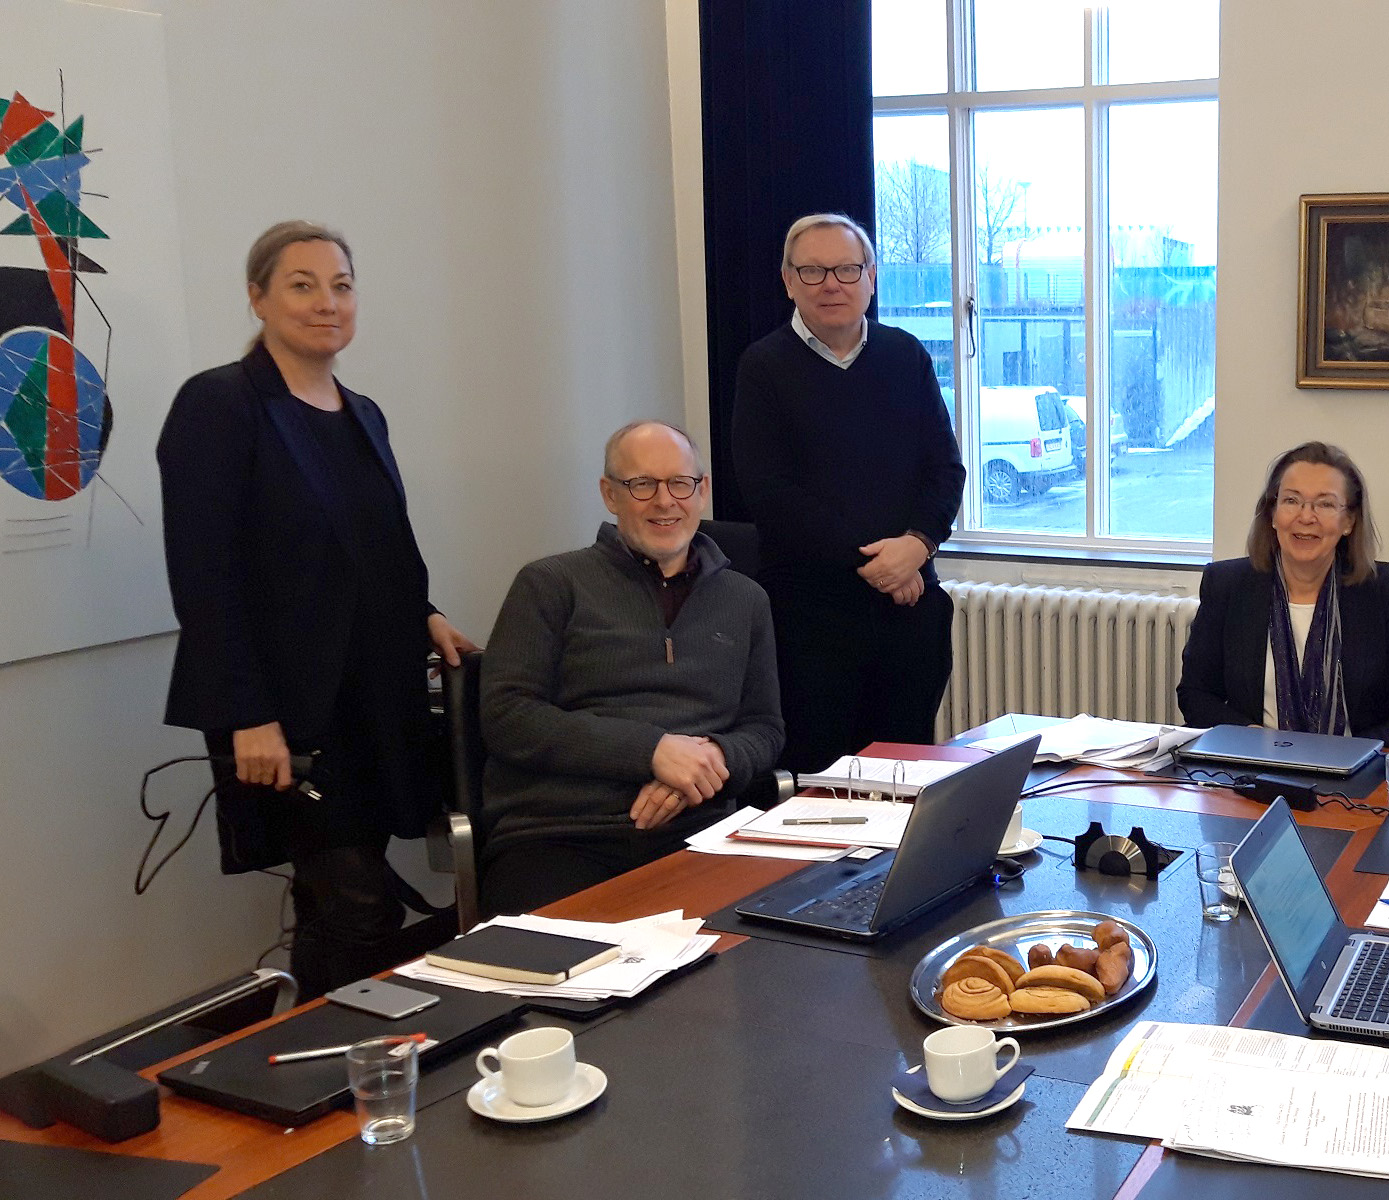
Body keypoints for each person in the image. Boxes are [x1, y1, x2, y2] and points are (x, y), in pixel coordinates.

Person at [158, 220, 478, 999]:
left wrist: (423, 612)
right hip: (289, 712)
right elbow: (204, 576)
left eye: (341, 285)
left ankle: (317, 1069)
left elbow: (374, 544)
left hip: (372, 698)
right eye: (302, 284)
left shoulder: (361, 411)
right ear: (257, 297)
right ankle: (349, 1069)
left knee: (336, 900)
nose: (327, 302)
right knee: (357, 908)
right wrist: (249, 715)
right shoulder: (220, 404)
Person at [477, 420, 784, 913]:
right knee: (563, 982)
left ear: (701, 492)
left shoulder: (746, 600)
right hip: (561, 837)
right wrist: (652, 752)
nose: (665, 501)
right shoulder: (549, 584)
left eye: (680, 483)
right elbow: (507, 716)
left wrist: (706, 762)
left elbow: (764, 729)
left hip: (699, 830)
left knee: (774, 953)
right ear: (609, 494)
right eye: (642, 484)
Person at [730, 212, 966, 773]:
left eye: (846, 268)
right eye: (812, 271)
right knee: (822, 789)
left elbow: (944, 468)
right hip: (811, 619)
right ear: (788, 281)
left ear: (872, 277)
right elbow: (770, 493)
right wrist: (880, 564)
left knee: (907, 779)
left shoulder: (905, 356)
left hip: (908, 611)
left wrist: (918, 545)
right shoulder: (763, 366)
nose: (831, 283)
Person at [1176, 441, 1389, 739]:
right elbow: (1195, 694)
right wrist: (1250, 736)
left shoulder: (1384, 590)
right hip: (1256, 765)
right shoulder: (1227, 584)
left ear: (1348, 520)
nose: (1306, 517)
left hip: (1355, 773)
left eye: (1325, 504)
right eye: (1291, 501)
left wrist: (1350, 754)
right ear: (1273, 513)